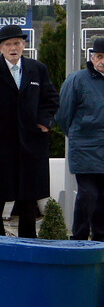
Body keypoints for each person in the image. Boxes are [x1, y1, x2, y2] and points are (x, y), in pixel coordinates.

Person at [0, 24, 59, 237]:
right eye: (8, 44)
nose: (13, 48)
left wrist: (44, 123)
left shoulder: (38, 69)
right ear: (0, 47)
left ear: (24, 45)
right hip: (0, 145)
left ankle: (28, 245)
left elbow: (51, 100)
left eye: (17, 43)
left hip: (30, 146)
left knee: (28, 200)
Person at [56, 37, 104, 241]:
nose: (102, 61)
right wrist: (77, 136)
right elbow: (63, 114)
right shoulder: (77, 80)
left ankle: (100, 238)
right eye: (99, 56)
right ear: (92, 57)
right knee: (88, 194)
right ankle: (79, 237)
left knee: (103, 198)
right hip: (85, 147)